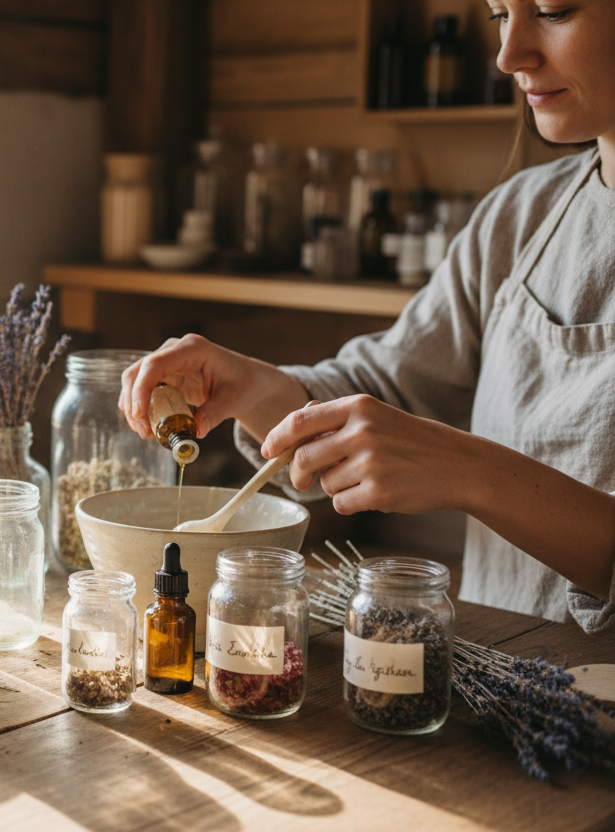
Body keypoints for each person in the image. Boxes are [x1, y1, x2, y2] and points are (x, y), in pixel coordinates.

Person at [121, 0, 615, 635]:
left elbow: (437, 448)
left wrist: (473, 472)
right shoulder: (517, 219)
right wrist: (255, 387)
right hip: (507, 695)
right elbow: (390, 385)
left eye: (552, 10)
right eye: (499, 15)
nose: (507, 53)